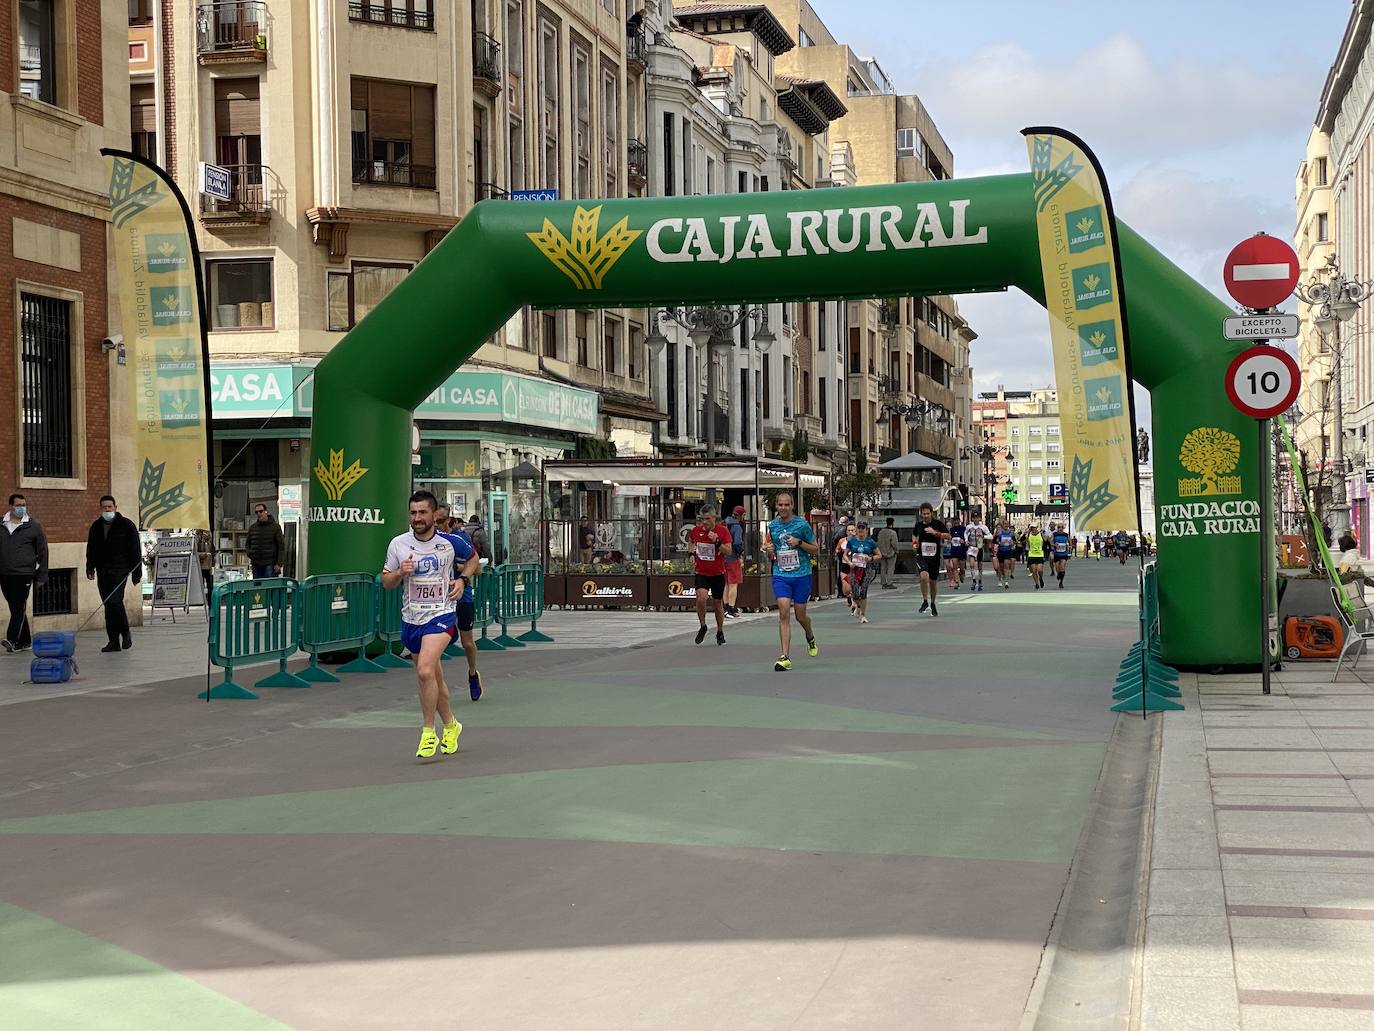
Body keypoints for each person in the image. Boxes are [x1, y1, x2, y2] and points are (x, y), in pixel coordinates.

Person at [380, 490, 482, 759]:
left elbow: (473, 560)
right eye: (413, 513)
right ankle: (451, 725)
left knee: (424, 671)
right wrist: (401, 572)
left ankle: (428, 732)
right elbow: (386, 582)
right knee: (433, 678)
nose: (417, 518)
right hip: (412, 618)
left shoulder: (450, 543)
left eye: (423, 512)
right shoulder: (398, 544)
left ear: (434, 515)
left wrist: (462, 581)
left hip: (442, 615)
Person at [761, 492, 819, 671]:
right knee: (784, 612)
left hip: (802, 575)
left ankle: (809, 635)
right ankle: (785, 657)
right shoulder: (773, 525)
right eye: (780, 505)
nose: (783, 508)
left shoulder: (802, 525)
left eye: (786, 505)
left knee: (800, 615)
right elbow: (771, 548)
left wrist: (799, 542)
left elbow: (815, 549)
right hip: (781, 575)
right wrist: (767, 549)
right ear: (776, 506)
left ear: (792, 506)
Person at [85, 496, 142, 653]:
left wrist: (136, 573)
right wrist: (90, 568)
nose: (107, 509)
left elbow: (135, 550)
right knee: (108, 606)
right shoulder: (96, 526)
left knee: (115, 602)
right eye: (104, 507)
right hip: (103, 571)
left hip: (120, 570)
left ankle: (125, 632)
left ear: (115, 507)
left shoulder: (126, 525)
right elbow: (91, 549)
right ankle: (113, 641)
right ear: (100, 508)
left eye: (110, 506)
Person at [0, 493, 47, 653]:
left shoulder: (33, 525)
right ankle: (25, 641)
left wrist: (42, 574)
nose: (22, 508)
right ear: (11, 506)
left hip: (24, 573)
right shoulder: (1, 524)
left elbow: (43, 551)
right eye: (18, 505)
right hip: (4, 573)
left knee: (19, 606)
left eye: (23, 505)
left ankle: (12, 639)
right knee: (15, 607)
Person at [689, 505, 732, 645]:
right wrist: (691, 554)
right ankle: (703, 626)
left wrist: (717, 541)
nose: (704, 522)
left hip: (717, 573)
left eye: (707, 519)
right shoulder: (696, 531)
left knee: (717, 603)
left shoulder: (722, 531)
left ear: (714, 518)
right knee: (701, 598)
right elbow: (691, 541)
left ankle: (720, 631)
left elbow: (728, 551)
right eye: (702, 519)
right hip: (701, 572)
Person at [911, 502, 950, 616]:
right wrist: (914, 543)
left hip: (934, 556)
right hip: (921, 555)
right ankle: (925, 601)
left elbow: (948, 536)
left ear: (931, 513)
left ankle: (932, 603)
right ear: (921, 514)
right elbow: (914, 535)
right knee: (924, 577)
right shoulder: (918, 525)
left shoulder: (937, 524)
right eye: (924, 514)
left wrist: (935, 533)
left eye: (928, 513)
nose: (926, 516)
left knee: (933, 581)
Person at [847, 521, 880, 623]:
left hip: (867, 568)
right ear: (856, 529)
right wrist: (849, 562)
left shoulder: (870, 542)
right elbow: (845, 554)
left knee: (863, 591)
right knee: (855, 592)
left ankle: (863, 615)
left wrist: (871, 558)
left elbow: (879, 554)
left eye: (863, 528)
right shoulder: (852, 541)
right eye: (859, 528)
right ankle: (858, 606)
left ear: (866, 530)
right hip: (854, 568)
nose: (861, 530)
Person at [246, 504, 284, 579]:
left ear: (266, 512)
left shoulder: (275, 527)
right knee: (257, 587)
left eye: (261, 511)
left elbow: (281, 546)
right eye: (256, 512)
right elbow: (248, 543)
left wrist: (278, 563)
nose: (259, 514)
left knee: (268, 586)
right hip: (256, 563)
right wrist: (250, 554)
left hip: (270, 563)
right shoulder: (253, 528)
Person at [722, 505, 746, 617]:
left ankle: (725, 607)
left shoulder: (724, 523)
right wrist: (740, 553)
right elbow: (737, 542)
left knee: (726, 584)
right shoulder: (737, 526)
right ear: (741, 515)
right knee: (733, 584)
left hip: (723, 557)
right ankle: (731, 608)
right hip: (732, 558)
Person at [965, 515, 991, 593]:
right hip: (972, 547)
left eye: (977, 517)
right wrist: (966, 540)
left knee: (980, 566)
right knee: (972, 565)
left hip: (979, 547)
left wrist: (984, 536)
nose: (975, 519)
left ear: (979, 518)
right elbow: (965, 533)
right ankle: (974, 580)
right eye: (974, 517)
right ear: (972, 518)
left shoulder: (983, 527)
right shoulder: (969, 526)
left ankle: (980, 581)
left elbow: (990, 536)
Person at [994, 520, 1017, 589]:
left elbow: (1014, 541)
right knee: (1001, 568)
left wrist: (1012, 543)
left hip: (1008, 551)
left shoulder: (1011, 533)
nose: (1006, 525)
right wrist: (999, 543)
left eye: (1007, 524)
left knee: (1006, 566)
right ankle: (1001, 579)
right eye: (1005, 524)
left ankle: (1006, 582)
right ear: (1002, 525)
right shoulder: (1000, 533)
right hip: (1001, 551)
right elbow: (995, 541)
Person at [877, 517, 899, 589]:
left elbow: (878, 542)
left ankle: (883, 583)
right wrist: (897, 550)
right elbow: (894, 544)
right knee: (890, 568)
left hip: (882, 553)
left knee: (883, 568)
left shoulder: (881, 532)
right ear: (892, 523)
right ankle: (889, 583)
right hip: (891, 553)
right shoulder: (893, 533)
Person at [946, 514, 967, 589]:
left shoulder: (964, 529)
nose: (956, 522)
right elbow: (949, 538)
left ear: (959, 521)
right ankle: (957, 582)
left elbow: (967, 539)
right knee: (955, 566)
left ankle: (962, 573)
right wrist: (949, 540)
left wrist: (964, 541)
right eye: (955, 521)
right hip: (954, 549)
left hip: (961, 550)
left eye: (957, 520)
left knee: (961, 566)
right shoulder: (952, 529)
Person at [1025, 523, 1047, 589]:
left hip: (1040, 554)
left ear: (1037, 527)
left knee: (1040, 570)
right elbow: (1024, 540)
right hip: (1031, 554)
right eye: (1032, 527)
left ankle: (1041, 578)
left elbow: (1046, 540)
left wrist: (1043, 535)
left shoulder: (1040, 534)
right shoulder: (1028, 534)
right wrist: (1028, 532)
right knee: (1034, 571)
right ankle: (1036, 583)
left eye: (1034, 527)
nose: (1033, 529)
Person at [1051, 522, 1072, 588]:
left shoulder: (1066, 535)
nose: (1060, 529)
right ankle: (1058, 575)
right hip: (1057, 553)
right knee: (1057, 569)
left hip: (1064, 553)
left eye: (1061, 527)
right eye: (1059, 527)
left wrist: (1070, 547)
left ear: (1063, 528)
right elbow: (1051, 543)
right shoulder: (1054, 534)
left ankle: (1061, 582)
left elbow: (1070, 542)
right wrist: (1054, 545)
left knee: (1062, 568)